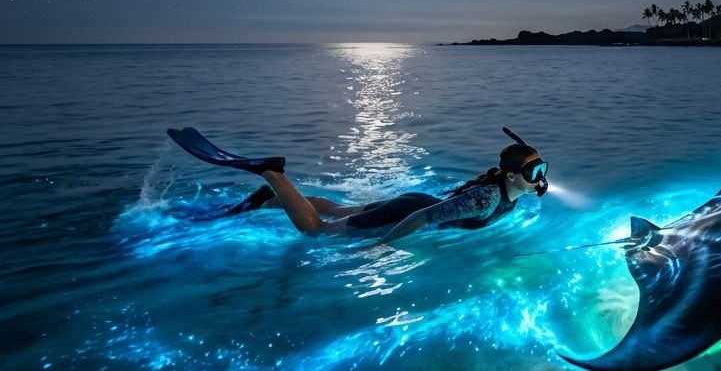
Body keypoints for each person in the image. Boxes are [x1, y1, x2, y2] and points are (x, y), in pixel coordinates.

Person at [165, 126, 548, 241]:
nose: (541, 179)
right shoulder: (484, 200)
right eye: (534, 172)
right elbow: (426, 219)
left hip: (410, 200)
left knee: (333, 208)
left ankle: (270, 198)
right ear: (513, 176)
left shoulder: (508, 191)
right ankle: (273, 173)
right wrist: (384, 244)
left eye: (543, 169)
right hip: (409, 211)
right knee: (316, 231)